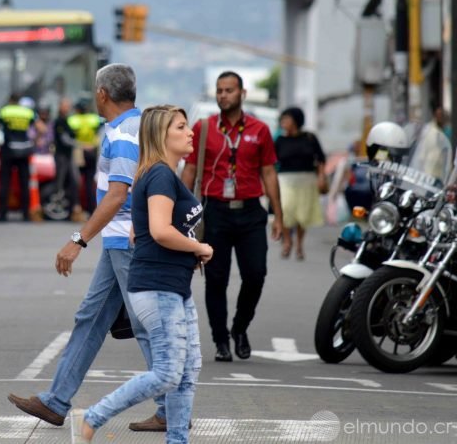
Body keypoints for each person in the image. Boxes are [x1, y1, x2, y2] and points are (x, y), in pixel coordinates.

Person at [8, 64, 170, 433]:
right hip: (118, 242)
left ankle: (170, 407)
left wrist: (78, 240)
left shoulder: (127, 132)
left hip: (127, 240)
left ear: (102, 94)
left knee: (146, 326)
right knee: (91, 318)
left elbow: (118, 194)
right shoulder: (127, 127)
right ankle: (56, 401)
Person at [70, 105, 213, 444]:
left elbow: (140, 232)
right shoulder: (161, 174)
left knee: (187, 371)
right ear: (161, 135)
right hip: (158, 288)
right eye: (181, 127)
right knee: (167, 373)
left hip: (173, 286)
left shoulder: (158, 174)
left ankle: (177, 439)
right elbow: (161, 231)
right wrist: (199, 248)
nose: (190, 132)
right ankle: (92, 418)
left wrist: (183, 248)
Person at [181, 71, 283, 362]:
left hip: (251, 211)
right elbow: (189, 171)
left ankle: (240, 328)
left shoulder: (260, 129)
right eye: (219, 90)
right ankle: (221, 340)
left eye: (229, 90)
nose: (223, 95)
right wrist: (181, 213)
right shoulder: (203, 128)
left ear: (242, 94)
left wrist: (279, 216)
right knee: (216, 279)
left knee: (256, 275)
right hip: (215, 211)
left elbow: (268, 172)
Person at [274, 107, 326, 260]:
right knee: (285, 209)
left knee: (302, 214)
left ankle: (299, 245)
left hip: (307, 179)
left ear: (296, 121)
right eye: (282, 120)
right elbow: (270, 162)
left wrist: (321, 177)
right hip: (285, 180)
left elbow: (321, 158)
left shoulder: (310, 138)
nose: (284, 123)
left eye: (287, 119)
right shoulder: (280, 140)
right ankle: (287, 241)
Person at [0, 95, 44, 222]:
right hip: (24, 150)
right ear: (19, 101)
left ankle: (2, 215)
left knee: (4, 183)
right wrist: (34, 141)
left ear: (9, 100)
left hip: (7, 149)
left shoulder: (4, 111)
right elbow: (42, 128)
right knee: (24, 184)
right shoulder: (28, 112)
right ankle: (25, 214)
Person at [54, 98, 86, 223]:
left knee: (73, 182)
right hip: (61, 156)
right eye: (65, 105)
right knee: (61, 183)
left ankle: (73, 209)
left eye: (68, 106)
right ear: (60, 107)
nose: (67, 108)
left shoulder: (68, 120)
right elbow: (64, 140)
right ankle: (59, 206)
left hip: (68, 156)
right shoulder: (60, 121)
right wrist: (79, 144)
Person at [68, 100, 102, 213]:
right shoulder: (94, 119)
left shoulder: (73, 120)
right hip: (92, 151)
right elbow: (100, 128)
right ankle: (91, 209)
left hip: (79, 151)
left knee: (76, 181)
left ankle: (76, 208)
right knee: (89, 182)